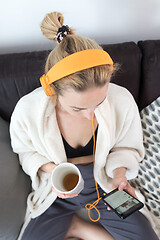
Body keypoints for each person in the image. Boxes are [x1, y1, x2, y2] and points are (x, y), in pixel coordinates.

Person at [10, 11, 159, 240]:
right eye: (78, 109)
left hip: (105, 184)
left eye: (99, 103)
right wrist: (53, 171)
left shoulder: (121, 100)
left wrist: (119, 174)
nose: (91, 115)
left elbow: (127, 147)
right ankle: (72, 224)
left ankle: (77, 228)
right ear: (53, 92)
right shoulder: (29, 111)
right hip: (56, 191)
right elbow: (25, 152)